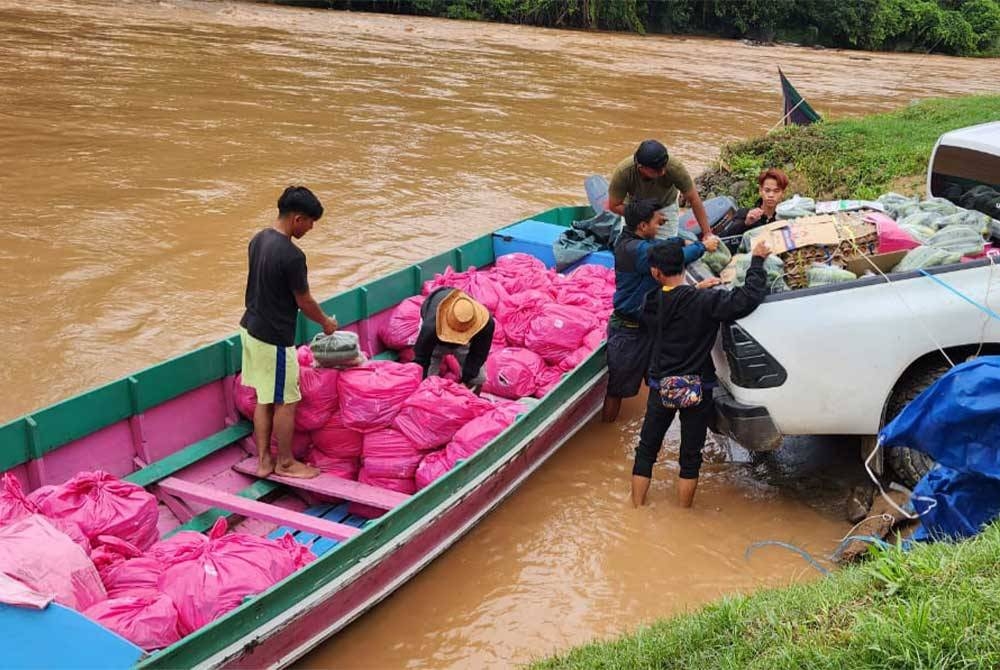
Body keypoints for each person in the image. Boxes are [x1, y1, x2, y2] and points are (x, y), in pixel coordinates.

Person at [631, 236, 772, 509]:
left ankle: (637, 508)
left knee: (646, 450)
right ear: (683, 265)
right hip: (697, 388)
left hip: (662, 387)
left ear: (655, 272)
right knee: (690, 456)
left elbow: (671, 304)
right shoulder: (704, 302)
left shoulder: (650, 302)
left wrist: (697, 291)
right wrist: (756, 261)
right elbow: (747, 298)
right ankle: (684, 513)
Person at [239, 186, 337, 480]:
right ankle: (285, 462)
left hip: (250, 329)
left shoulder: (258, 239)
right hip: (275, 340)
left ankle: (264, 461)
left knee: (263, 398)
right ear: (297, 219)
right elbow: (304, 301)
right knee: (287, 400)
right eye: (310, 222)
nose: (310, 228)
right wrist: (326, 323)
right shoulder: (293, 256)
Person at [602, 197, 716, 423]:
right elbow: (671, 259)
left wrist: (677, 241)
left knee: (655, 383)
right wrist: (702, 246)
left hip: (647, 326)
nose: (660, 225)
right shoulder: (636, 250)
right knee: (617, 389)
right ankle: (607, 428)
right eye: (656, 222)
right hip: (629, 331)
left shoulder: (630, 241)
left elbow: (663, 247)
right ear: (642, 226)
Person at [607, 139, 721, 248]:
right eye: (656, 170)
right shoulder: (624, 172)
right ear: (641, 167)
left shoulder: (674, 167)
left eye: (663, 167)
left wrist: (707, 233)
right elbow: (614, 205)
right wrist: (648, 216)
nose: (662, 172)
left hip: (665, 206)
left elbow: (694, 199)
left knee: (665, 250)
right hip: (634, 208)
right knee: (631, 248)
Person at [413, 288, 495, 392]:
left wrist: (466, 382)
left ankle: (472, 401)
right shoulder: (431, 327)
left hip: (466, 343)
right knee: (424, 383)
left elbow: (478, 355)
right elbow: (421, 359)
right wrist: (425, 384)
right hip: (435, 340)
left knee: (478, 378)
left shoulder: (486, 324)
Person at [716, 168, 789, 238]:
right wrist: (746, 223)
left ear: (783, 193)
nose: (771, 195)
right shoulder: (744, 214)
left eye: (776, 191)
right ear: (760, 191)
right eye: (767, 190)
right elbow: (723, 238)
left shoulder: (787, 217)